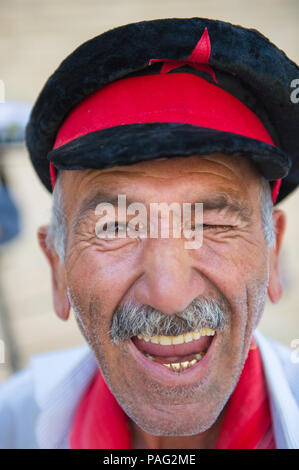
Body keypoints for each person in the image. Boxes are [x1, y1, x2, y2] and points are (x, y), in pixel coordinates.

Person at [0, 17, 298, 449]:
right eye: (115, 227)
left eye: (211, 223)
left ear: (273, 257)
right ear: (58, 269)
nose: (169, 294)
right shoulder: (14, 425)